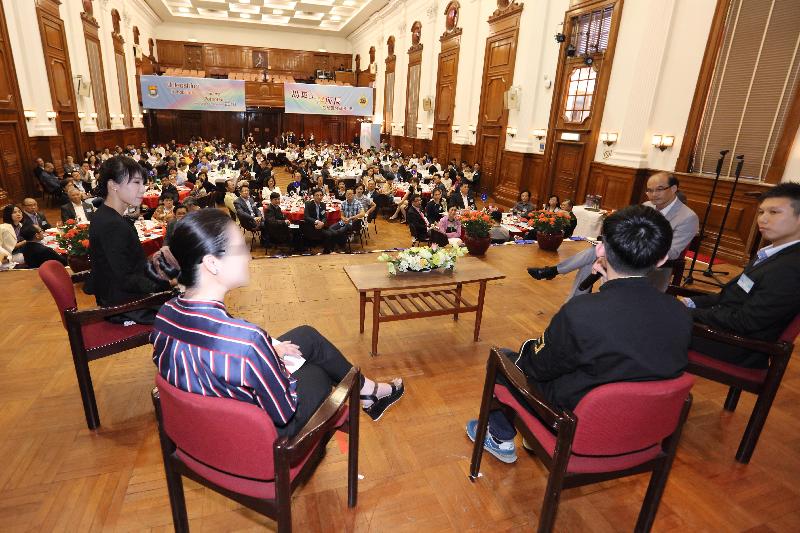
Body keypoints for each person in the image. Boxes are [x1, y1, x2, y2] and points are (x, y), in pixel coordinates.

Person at [466, 205, 691, 463]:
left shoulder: (582, 313)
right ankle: (530, 438)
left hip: (575, 421)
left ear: (602, 249)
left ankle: (499, 437)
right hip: (641, 430)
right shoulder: (681, 315)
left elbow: (536, 368)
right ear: (662, 259)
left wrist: (527, 352)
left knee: (505, 359)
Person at [149, 209, 404, 431]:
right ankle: (367, 394)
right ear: (212, 263)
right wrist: (275, 364)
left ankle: (368, 391)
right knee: (316, 369)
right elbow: (283, 411)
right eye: (240, 249)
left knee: (307, 337)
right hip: (252, 436)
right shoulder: (248, 341)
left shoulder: (165, 315)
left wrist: (270, 350)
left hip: (202, 425)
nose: (249, 257)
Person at [680, 183, 800, 369]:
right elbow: (732, 296)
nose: (763, 219)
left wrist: (689, 313)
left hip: (738, 345)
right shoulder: (772, 253)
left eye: (774, 212)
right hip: (727, 328)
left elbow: (747, 321)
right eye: (761, 212)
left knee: (649, 323)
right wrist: (690, 303)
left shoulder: (791, 267)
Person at [529, 172, 699, 298]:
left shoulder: (688, 217)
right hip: (628, 254)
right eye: (649, 190)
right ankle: (572, 302)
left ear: (674, 189)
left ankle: (556, 274)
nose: (653, 195)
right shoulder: (647, 205)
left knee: (598, 256)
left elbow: (673, 251)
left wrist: (630, 252)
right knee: (595, 257)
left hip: (652, 263)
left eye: (659, 189)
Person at [87, 155, 175, 324]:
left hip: (124, 295)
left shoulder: (106, 215)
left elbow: (129, 266)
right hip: (126, 306)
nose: (143, 189)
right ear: (113, 185)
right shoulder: (112, 224)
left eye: (143, 183)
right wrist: (168, 282)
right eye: (136, 183)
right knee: (197, 315)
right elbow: (126, 279)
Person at [304, 188, 347, 254]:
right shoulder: (308, 204)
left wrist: (322, 223)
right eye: (317, 195)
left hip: (321, 226)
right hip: (312, 227)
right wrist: (317, 222)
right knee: (329, 234)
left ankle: (331, 250)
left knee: (335, 233)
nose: (319, 197)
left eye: (321, 195)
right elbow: (306, 217)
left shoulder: (323, 205)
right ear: (313, 196)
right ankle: (327, 251)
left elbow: (324, 217)